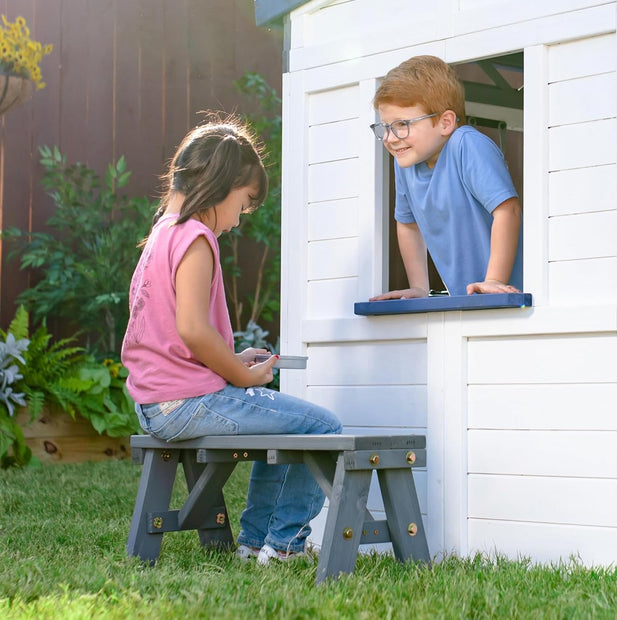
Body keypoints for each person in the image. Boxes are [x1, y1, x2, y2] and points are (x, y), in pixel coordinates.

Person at [121, 114, 342, 566]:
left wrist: (230, 358)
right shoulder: (196, 238)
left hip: (155, 403)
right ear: (220, 185)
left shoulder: (161, 235)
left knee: (282, 424)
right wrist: (241, 373)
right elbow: (193, 330)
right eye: (243, 204)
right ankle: (282, 548)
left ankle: (250, 545)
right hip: (186, 401)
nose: (240, 219)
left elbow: (173, 337)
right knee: (323, 429)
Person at [368, 55, 523, 301]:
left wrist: (494, 280)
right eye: (385, 127)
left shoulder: (466, 145)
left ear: (445, 122)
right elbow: (407, 225)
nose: (390, 137)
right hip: (469, 298)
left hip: (513, 293)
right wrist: (420, 287)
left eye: (401, 125)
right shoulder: (406, 162)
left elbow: (508, 210)